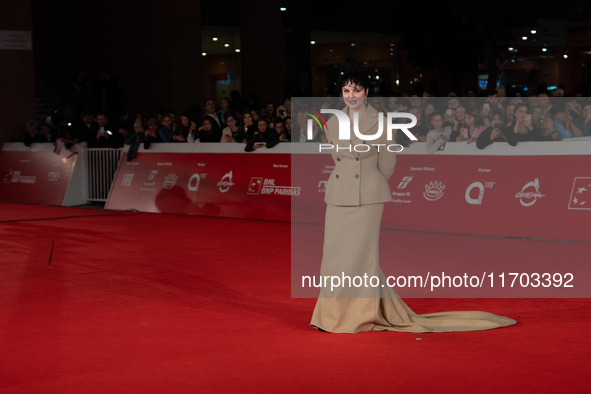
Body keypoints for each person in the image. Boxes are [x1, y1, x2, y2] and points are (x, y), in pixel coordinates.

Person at [310, 70, 516, 333]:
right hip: (338, 194)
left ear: (367, 92)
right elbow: (336, 157)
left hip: (368, 196)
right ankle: (331, 315)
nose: (351, 96)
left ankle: (356, 316)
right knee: (333, 257)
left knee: (361, 258)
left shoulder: (382, 123)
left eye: (357, 90)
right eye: (346, 91)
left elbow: (387, 162)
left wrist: (370, 183)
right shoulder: (332, 122)